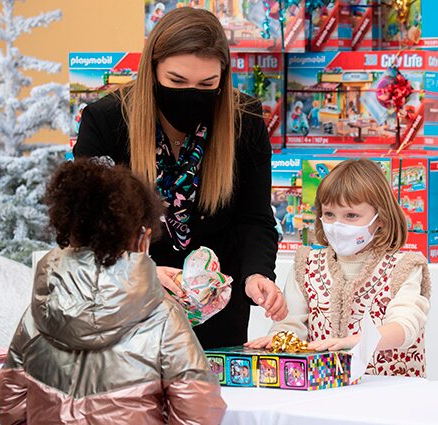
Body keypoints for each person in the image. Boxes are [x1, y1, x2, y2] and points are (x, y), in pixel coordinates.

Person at [73, 7, 286, 349]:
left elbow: (255, 219)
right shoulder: (106, 120)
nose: (191, 93)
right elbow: (87, 229)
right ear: (152, 68)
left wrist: (257, 274)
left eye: (207, 84)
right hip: (124, 314)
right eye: (176, 81)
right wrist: (139, 271)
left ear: (224, 76)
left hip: (215, 316)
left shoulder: (244, 121)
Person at [0, 159, 226, 424]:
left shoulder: (37, 313)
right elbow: (198, 409)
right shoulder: (162, 315)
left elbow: (9, 403)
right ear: (143, 238)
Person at [246, 159, 431, 377]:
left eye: (351, 216)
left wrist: (355, 341)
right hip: (326, 388)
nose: (337, 225)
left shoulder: (404, 267)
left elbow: (405, 325)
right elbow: (292, 324)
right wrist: (280, 339)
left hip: (388, 391)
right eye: (329, 214)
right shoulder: (307, 265)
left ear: (380, 218)